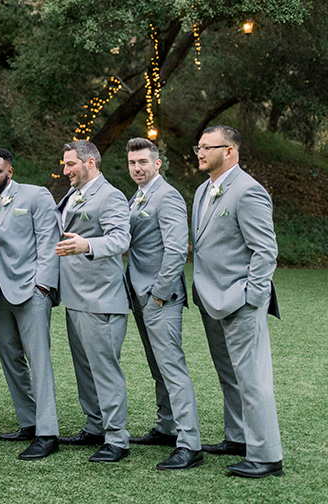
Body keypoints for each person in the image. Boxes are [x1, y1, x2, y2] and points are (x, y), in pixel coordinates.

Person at [191, 125, 282, 478]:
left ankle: (266, 456)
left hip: (240, 300)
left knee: (252, 378)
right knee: (229, 375)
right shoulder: (203, 190)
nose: (200, 152)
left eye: (207, 147)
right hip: (210, 300)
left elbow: (265, 250)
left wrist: (252, 298)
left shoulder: (248, 191)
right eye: (198, 146)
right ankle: (238, 437)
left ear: (230, 151)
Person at [123, 138, 202, 470]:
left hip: (160, 297)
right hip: (139, 294)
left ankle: (190, 444)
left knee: (172, 367)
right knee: (158, 367)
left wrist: (159, 293)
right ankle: (167, 426)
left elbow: (176, 249)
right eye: (132, 163)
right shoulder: (138, 196)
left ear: (157, 164)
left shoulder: (166, 196)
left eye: (143, 162)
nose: (137, 168)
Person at [0, 148, 60, 461]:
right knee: (11, 358)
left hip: (30, 290)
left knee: (38, 361)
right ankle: (29, 422)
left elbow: (49, 240)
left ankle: (48, 432)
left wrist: (43, 285)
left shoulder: (35, 196)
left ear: (9, 171)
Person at [54, 140, 131, 463]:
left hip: (101, 299)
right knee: (84, 368)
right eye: (65, 164)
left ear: (91, 163)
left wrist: (87, 244)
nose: (66, 170)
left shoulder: (110, 195)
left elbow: (120, 239)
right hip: (75, 295)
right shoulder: (73, 194)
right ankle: (95, 425)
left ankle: (117, 439)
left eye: (71, 164)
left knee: (104, 370)